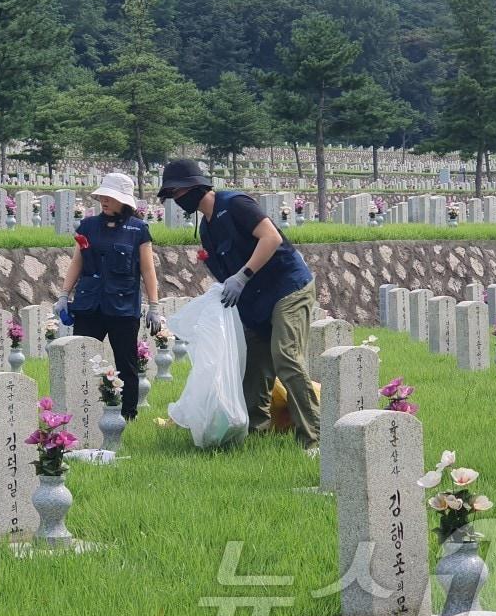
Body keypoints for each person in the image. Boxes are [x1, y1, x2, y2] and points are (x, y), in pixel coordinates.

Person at [157, 159, 320, 453]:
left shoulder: (234, 204)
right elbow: (225, 275)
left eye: (177, 193)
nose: (176, 201)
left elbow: (270, 237)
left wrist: (243, 276)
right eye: (171, 196)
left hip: (288, 288)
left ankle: (314, 439)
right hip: (254, 303)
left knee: (286, 356)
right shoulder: (206, 230)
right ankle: (256, 434)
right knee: (253, 368)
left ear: (195, 187)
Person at [55, 172, 162, 421]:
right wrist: (63, 294)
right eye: (102, 195)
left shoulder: (138, 230)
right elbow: (76, 262)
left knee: (126, 363)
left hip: (123, 307)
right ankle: (83, 410)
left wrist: (154, 305)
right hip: (89, 304)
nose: (104, 200)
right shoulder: (88, 226)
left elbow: (147, 269)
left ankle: (127, 413)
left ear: (123, 200)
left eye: (110, 197)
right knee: (82, 358)